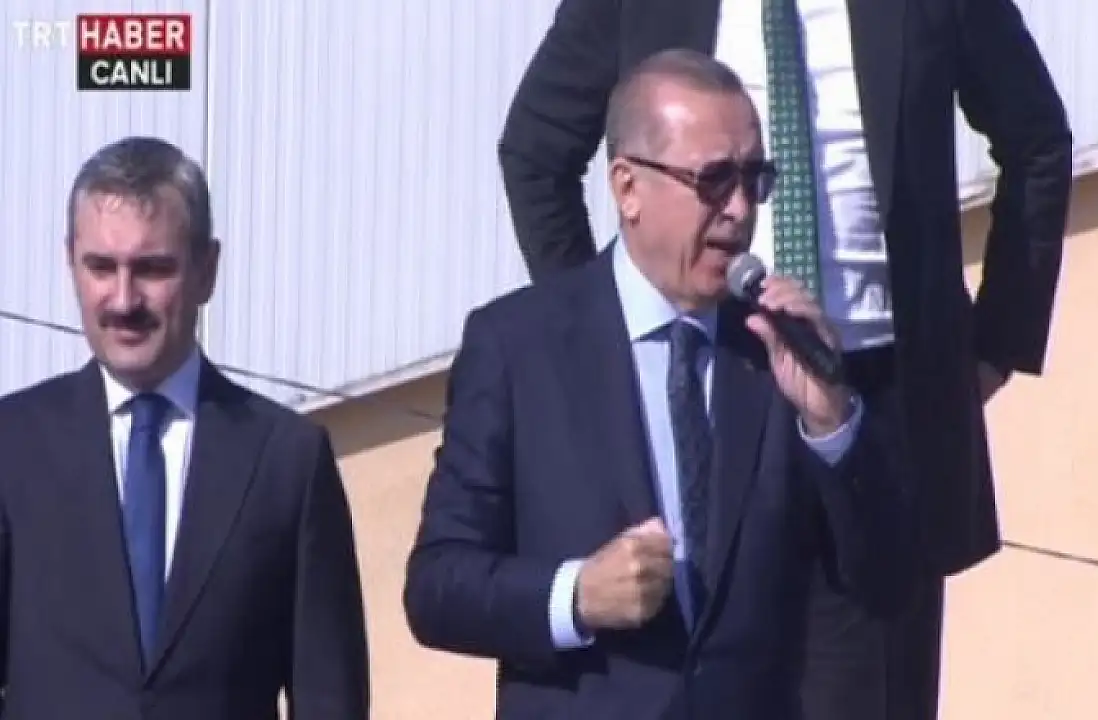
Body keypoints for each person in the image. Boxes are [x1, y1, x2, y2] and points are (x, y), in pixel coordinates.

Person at [498, 1, 1074, 717]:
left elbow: (1035, 139)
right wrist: (599, 344)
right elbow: (536, 153)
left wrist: (995, 345)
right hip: (700, 387)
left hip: (873, 401)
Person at [404, 52, 909, 720]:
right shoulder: (519, 348)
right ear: (628, 188)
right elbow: (438, 586)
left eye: (754, 179)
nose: (739, 209)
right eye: (714, 180)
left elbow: (887, 576)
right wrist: (576, 595)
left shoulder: (778, 350)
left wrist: (832, 423)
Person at [0, 137, 370, 719]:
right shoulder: (13, 447)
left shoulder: (287, 461)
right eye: (101, 267)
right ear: (70, 263)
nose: (124, 300)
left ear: (206, 270)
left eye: (152, 269)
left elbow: (330, 698)